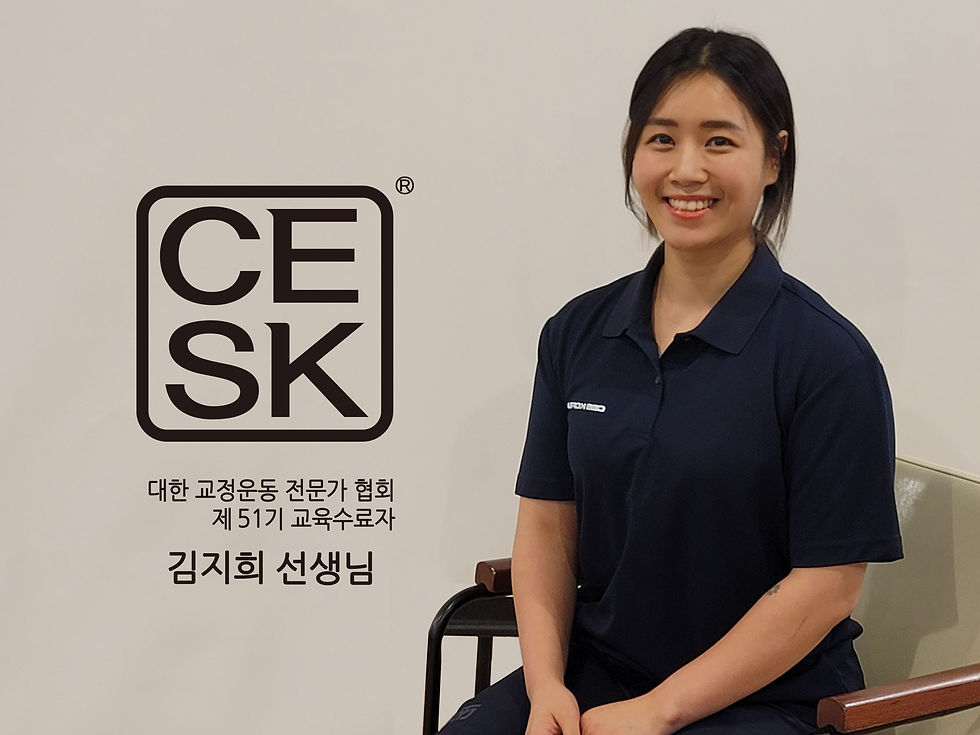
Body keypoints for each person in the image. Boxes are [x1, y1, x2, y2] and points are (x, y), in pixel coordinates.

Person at [439, 27, 903, 735]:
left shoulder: (829, 358)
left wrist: (660, 710)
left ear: (773, 157)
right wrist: (546, 686)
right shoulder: (577, 332)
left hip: (770, 697)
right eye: (662, 139)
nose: (687, 169)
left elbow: (827, 587)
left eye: (719, 141)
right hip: (599, 671)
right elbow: (547, 528)